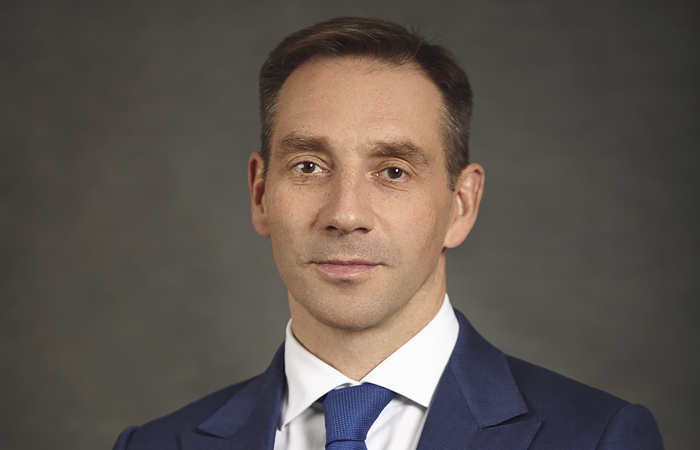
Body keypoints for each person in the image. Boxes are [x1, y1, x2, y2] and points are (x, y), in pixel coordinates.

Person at [112, 17, 664, 450]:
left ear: (461, 205)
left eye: (394, 171)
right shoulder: (152, 445)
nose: (345, 214)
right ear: (260, 194)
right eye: (309, 166)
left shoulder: (597, 438)